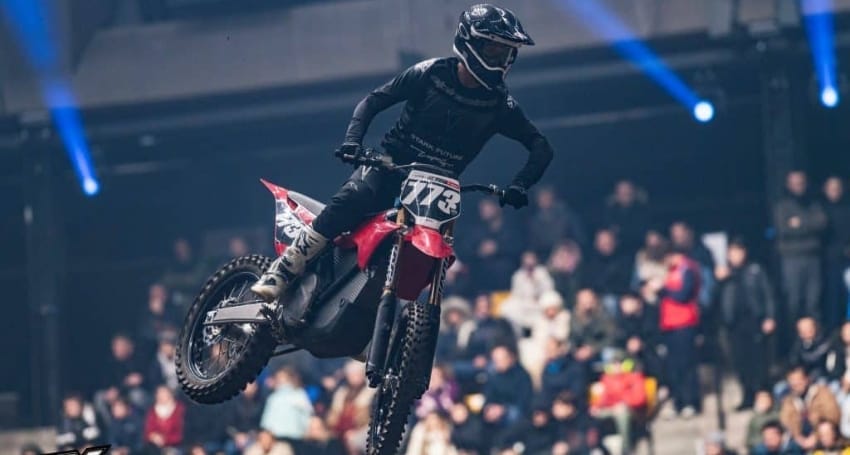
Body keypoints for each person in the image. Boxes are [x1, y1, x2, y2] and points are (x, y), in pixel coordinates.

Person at [251, 4, 552, 300]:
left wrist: (519, 185)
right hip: (389, 166)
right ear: (469, 42)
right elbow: (373, 101)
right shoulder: (431, 72)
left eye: (508, 52)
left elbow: (541, 147)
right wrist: (352, 141)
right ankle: (287, 267)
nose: (503, 59)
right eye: (495, 50)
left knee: (440, 254)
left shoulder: (500, 104)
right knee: (353, 197)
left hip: (436, 192)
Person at [714, 238, 777, 409]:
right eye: (732, 252)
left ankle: (763, 396)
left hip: (754, 322)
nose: (736, 256)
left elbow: (767, 294)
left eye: (738, 251)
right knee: (740, 363)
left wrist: (770, 317)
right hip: (734, 325)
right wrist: (719, 281)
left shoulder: (755, 271)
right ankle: (747, 396)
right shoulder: (725, 275)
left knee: (758, 362)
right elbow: (715, 301)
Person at [774, 170, 828, 322]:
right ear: (788, 185)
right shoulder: (782, 206)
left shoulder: (814, 204)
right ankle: (796, 341)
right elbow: (783, 228)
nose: (799, 186)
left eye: (802, 183)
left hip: (813, 258)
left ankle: (815, 341)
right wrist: (809, 224)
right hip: (792, 259)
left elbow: (822, 223)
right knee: (794, 302)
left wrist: (799, 223)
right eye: (795, 183)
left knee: (814, 301)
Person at [654, 249, 701, 418]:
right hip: (669, 326)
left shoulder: (687, 269)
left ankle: (691, 401)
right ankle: (678, 401)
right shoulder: (670, 272)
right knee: (673, 366)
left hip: (685, 323)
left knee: (686, 364)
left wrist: (663, 289)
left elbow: (683, 294)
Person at [590, 352, 647, 454]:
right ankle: (596, 447)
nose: (616, 367)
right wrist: (595, 407)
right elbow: (603, 398)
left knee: (622, 413)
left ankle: (626, 450)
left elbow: (639, 398)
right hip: (611, 410)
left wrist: (623, 402)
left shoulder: (635, 377)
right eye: (613, 364)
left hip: (632, 412)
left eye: (619, 363)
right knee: (592, 415)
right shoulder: (607, 379)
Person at [463, 198, 525, 292]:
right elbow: (465, 250)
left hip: (506, 279)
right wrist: (479, 251)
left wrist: (497, 248)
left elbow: (519, 249)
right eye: (482, 207)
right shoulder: (477, 230)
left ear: (497, 208)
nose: (482, 209)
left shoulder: (511, 229)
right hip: (481, 282)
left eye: (486, 206)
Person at [780, 366, 841, 450]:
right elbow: (786, 421)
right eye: (792, 381)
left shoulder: (822, 392)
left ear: (807, 379)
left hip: (822, 435)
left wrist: (816, 436)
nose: (795, 384)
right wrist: (798, 438)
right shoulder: (788, 400)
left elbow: (833, 416)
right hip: (799, 439)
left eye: (798, 380)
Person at [95, 333, 149, 424]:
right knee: (99, 397)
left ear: (129, 346)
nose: (115, 348)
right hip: (119, 394)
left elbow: (146, 380)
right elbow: (107, 382)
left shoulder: (140, 358)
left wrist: (137, 380)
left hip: (137, 394)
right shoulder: (110, 362)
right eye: (114, 346)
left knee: (137, 395)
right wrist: (112, 391)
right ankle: (113, 428)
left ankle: (142, 428)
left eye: (119, 345)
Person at [325, 361, 374, 454]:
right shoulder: (342, 393)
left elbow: (367, 420)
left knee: (351, 439)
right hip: (340, 429)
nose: (354, 377)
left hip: (362, 430)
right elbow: (333, 415)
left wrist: (354, 431)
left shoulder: (370, 393)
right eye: (351, 374)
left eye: (357, 374)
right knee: (331, 441)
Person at [500, 251, 555, 332]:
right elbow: (515, 295)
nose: (529, 266)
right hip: (524, 305)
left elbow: (549, 291)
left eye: (531, 264)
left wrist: (536, 282)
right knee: (506, 307)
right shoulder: (518, 276)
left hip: (539, 305)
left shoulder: (542, 273)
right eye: (527, 264)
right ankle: (517, 333)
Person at [482, 345, 534, 430]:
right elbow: (488, 395)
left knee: (514, 415)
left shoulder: (522, 375)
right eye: (495, 360)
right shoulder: (493, 376)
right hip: (497, 410)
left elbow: (524, 401)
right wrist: (489, 408)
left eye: (500, 360)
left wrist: (503, 409)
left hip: (515, 410)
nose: (497, 363)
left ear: (510, 358)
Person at [528, 185, 587, 257]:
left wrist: (568, 248)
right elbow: (534, 246)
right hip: (546, 258)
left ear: (553, 197)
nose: (544, 200)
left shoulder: (567, 215)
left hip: (569, 256)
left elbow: (580, 238)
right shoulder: (535, 222)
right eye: (541, 197)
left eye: (547, 197)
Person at [583, 228, 633, 314]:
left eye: (608, 241)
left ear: (615, 242)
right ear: (596, 243)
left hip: (617, 297)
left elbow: (623, 284)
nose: (605, 244)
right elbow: (587, 283)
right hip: (594, 295)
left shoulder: (623, 261)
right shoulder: (590, 262)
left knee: (610, 302)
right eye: (602, 241)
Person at [614, 292, 661, 379]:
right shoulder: (622, 318)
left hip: (650, 348)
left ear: (638, 302)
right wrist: (628, 343)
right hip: (629, 349)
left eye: (628, 303)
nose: (624, 307)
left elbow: (656, 335)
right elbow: (618, 337)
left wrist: (641, 344)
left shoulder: (651, 314)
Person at [824, 177, 850, 331]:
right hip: (830, 262)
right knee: (832, 300)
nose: (835, 192)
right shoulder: (821, 209)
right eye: (831, 188)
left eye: (837, 188)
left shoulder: (848, 209)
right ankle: (834, 333)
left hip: (847, 260)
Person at [260, 366, 313, 442]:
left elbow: (307, 415)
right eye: (278, 378)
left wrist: (306, 431)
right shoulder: (273, 398)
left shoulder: (299, 394)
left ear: (290, 379)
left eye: (282, 378)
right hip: (277, 438)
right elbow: (267, 421)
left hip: (296, 437)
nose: (280, 380)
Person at [788, 317, 844, 383]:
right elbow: (794, 363)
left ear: (815, 328)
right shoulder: (797, 346)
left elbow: (832, 368)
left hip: (825, 378)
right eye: (802, 329)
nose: (805, 331)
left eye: (808, 328)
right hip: (803, 380)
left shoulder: (827, 344)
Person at [603, 179, 650, 256]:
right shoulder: (610, 211)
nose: (624, 194)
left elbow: (641, 232)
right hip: (615, 252)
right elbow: (608, 230)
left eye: (627, 191)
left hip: (639, 249)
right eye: (621, 192)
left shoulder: (642, 210)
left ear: (633, 192)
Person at [569, 289, 615, 367]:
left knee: (609, 354)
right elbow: (572, 338)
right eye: (583, 303)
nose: (587, 306)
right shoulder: (575, 317)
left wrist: (592, 349)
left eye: (589, 302)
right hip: (582, 352)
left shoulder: (604, 314)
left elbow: (611, 337)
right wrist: (577, 351)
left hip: (600, 349)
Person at [143, 385, 185, 452]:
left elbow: (182, 432)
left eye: (164, 393)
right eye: (159, 393)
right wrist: (153, 437)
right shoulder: (152, 411)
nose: (161, 396)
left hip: (177, 446)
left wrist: (165, 440)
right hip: (156, 447)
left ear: (170, 394)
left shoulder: (180, 409)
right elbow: (148, 431)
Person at [547, 240, 584, 310]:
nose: (566, 261)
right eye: (562, 257)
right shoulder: (546, 275)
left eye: (570, 257)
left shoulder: (578, 277)